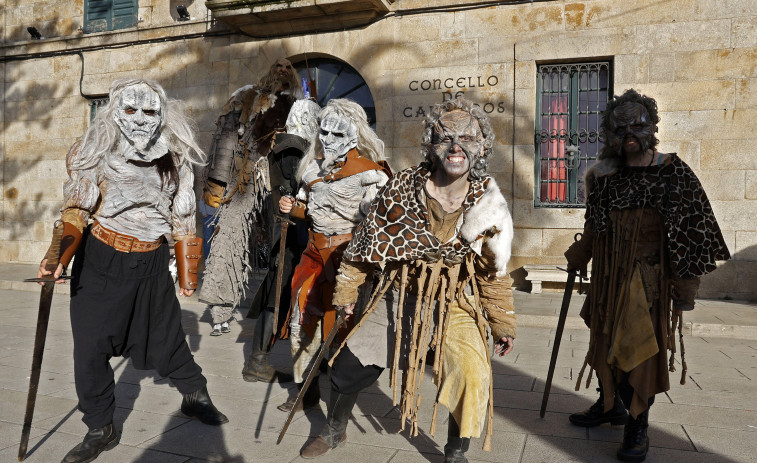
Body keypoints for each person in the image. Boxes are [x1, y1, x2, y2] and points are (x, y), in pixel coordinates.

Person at [299, 97, 516, 462]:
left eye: (467, 138)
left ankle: (455, 450)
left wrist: (501, 321)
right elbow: (366, 246)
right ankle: (335, 428)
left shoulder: (488, 202)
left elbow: (493, 271)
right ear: (432, 143)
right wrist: (348, 292)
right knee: (349, 364)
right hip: (397, 295)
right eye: (446, 137)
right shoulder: (401, 188)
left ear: (480, 148)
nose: (456, 146)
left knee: (471, 372)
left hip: (453, 302)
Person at [37, 79, 228, 463]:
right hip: (101, 259)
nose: (140, 119)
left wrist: (190, 275)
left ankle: (195, 395)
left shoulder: (175, 157)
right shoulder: (94, 149)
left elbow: (183, 216)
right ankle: (99, 426)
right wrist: (58, 255)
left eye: (149, 111)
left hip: (151, 261)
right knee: (90, 348)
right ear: (114, 110)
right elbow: (77, 209)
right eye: (130, 110)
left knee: (167, 336)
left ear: (162, 114)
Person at [564, 89, 730, 462]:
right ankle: (611, 405)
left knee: (638, 351)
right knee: (606, 343)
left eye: (637, 126)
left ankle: (637, 425)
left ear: (652, 127)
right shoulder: (606, 176)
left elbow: (693, 232)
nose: (629, 134)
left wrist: (686, 287)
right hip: (608, 278)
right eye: (620, 128)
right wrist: (579, 255)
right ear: (611, 134)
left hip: (648, 279)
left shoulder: (672, 171)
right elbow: (595, 226)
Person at [277, 98, 391, 413]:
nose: (328, 140)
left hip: (349, 259)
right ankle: (306, 391)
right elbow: (306, 207)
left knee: (345, 326)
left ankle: (341, 399)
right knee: (302, 320)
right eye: (324, 131)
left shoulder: (371, 173)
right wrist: (292, 208)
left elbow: (379, 222)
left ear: (355, 135)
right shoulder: (311, 167)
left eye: (338, 135)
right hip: (313, 255)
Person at [199, 58, 303, 336]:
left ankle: (283, 310)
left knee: (285, 241)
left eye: (288, 67)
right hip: (246, 178)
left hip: (282, 179)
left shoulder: (299, 106)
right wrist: (217, 179)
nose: (282, 69)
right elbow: (225, 137)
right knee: (229, 236)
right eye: (277, 65)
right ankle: (220, 308)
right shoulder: (247, 96)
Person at [241, 99, 320, 383]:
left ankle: (265, 360)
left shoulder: (287, 146)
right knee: (279, 295)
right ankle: (257, 362)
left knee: (284, 293)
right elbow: (292, 194)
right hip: (289, 235)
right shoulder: (294, 149)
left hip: (290, 233)